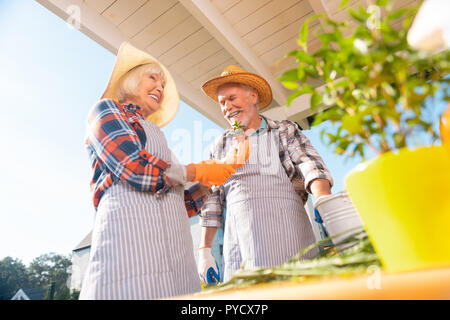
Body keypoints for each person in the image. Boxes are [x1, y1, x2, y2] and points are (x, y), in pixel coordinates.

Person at [80, 43, 244, 299]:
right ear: (131, 81)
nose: (159, 87)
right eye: (152, 78)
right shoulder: (106, 110)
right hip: (129, 245)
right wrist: (196, 171)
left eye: (163, 85)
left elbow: (180, 204)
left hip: (176, 260)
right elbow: (134, 167)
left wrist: (211, 182)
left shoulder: (159, 140)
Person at [197, 65, 334, 283]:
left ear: (253, 96)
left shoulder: (283, 130)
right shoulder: (220, 145)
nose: (227, 107)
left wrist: (322, 198)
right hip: (241, 245)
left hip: (290, 237)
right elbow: (212, 201)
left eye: (232, 98)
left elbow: (309, 163)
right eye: (222, 103)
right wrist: (204, 250)